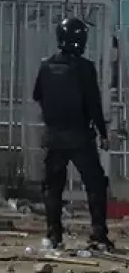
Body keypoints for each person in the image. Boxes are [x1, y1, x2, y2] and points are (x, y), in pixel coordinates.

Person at [33, 17, 114, 252]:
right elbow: (93, 104)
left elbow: (37, 95)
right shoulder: (85, 68)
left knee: (53, 187)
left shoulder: (45, 65)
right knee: (95, 185)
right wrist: (103, 133)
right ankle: (98, 234)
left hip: (54, 137)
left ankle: (53, 235)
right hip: (80, 137)